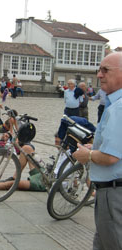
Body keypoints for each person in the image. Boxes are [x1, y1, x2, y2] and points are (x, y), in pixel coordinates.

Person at [72, 52, 122, 250]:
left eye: (105, 70)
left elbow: (111, 157)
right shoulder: (114, 105)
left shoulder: (118, 109)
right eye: (99, 70)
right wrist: (96, 147)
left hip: (114, 193)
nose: (99, 75)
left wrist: (88, 155)